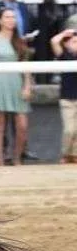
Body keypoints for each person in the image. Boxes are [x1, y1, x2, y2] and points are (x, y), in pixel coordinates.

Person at [0, 8, 32, 166]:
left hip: (16, 82)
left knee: (22, 125)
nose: (11, 20)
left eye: (13, 17)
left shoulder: (20, 40)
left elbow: (26, 66)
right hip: (0, 82)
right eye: (7, 17)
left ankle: (17, 157)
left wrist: (27, 85)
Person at [51, 24, 77, 165]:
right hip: (67, 98)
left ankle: (74, 155)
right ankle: (66, 153)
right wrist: (67, 32)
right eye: (74, 42)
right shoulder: (64, 56)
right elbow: (54, 41)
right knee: (69, 130)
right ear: (66, 44)